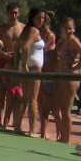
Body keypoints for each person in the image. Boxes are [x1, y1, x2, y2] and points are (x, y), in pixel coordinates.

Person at [53, 17, 81, 143]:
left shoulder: (74, 41)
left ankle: (66, 139)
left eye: (70, 28)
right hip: (61, 77)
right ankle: (61, 136)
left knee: (66, 110)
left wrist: (74, 67)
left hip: (70, 79)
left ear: (74, 29)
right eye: (65, 28)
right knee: (57, 108)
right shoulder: (62, 41)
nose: (68, 31)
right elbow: (56, 53)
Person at [14, 7, 46, 136]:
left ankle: (17, 126)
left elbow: (16, 45)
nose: (41, 20)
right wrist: (25, 66)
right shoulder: (33, 30)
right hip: (32, 68)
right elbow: (26, 47)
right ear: (32, 17)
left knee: (25, 98)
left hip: (26, 66)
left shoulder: (26, 29)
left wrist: (19, 63)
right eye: (39, 17)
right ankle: (33, 130)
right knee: (33, 99)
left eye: (43, 18)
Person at [0, 2, 25, 128]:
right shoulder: (2, 29)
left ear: (19, 13)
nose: (14, 15)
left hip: (17, 61)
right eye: (11, 12)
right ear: (7, 13)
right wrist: (3, 54)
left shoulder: (23, 28)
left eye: (16, 12)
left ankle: (15, 120)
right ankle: (1, 120)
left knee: (17, 91)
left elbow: (27, 45)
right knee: (2, 91)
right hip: (4, 60)